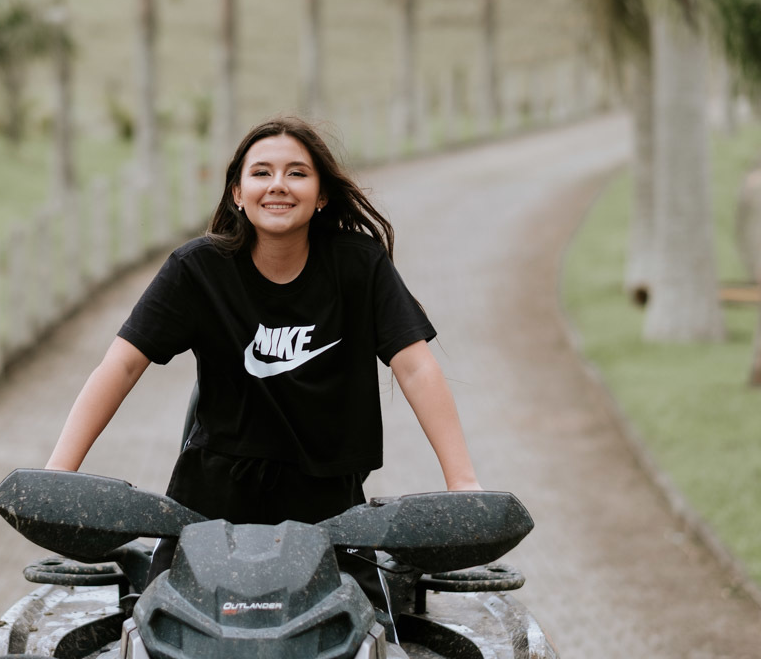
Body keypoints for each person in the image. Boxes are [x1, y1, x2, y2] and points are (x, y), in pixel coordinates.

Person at [44, 117, 481, 599]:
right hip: (209, 501)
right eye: (261, 172)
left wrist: (463, 486)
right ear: (237, 192)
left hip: (330, 508)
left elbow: (415, 367)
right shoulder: (197, 269)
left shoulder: (359, 265)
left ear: (321, 195)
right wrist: (57, 478)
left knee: (370, 633)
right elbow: (121, 364)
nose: (278, 185)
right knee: (157, 627)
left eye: (297, 173)